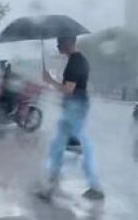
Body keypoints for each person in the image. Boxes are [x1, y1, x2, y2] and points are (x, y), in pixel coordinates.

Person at [39, 36, 104, 201]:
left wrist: (50, 81)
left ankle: (92, 185)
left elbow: (69, 89)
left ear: (69, 43)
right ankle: (52, 185)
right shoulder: (76, 61)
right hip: (75, 106)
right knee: (59, 147)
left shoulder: (76, 62)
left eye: (60, 42)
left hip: (75, 107)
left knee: (74, 145)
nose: (58, 45)